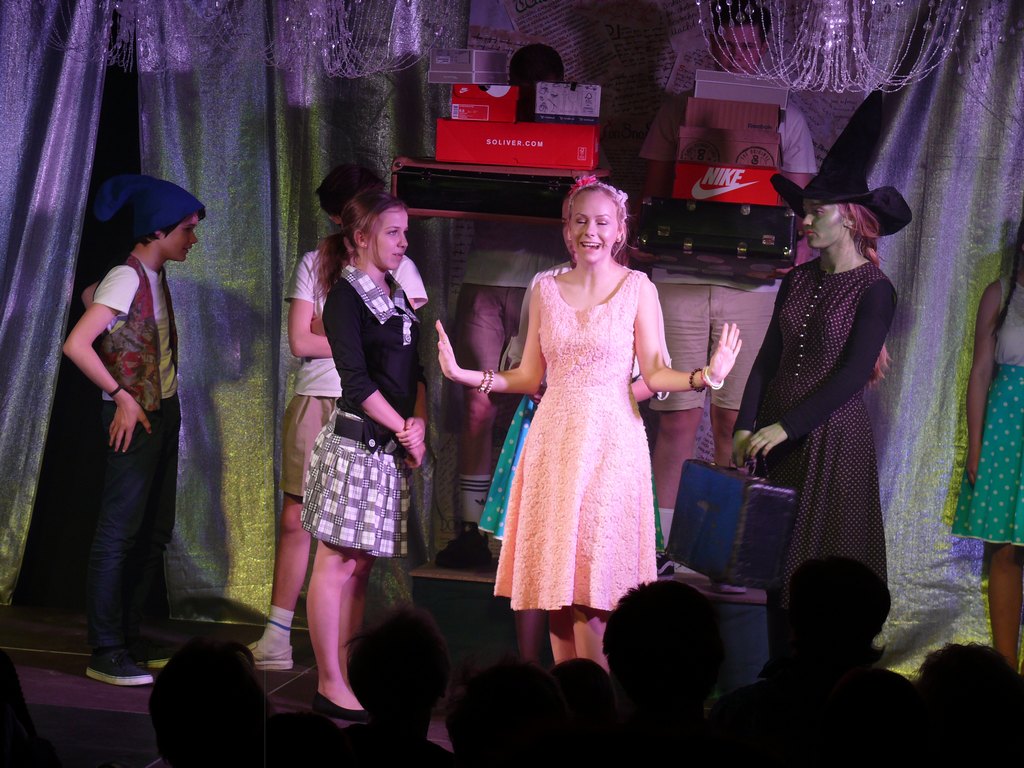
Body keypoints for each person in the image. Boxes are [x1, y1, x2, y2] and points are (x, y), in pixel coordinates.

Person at [437, 179, 741, 665]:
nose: (590, 231)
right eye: (580, 221)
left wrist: (706, 376)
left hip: (611, 443)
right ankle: (573, 696)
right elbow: (529, 375)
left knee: (595, 592)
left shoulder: (638, 289)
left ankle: (595, 697)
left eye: (602, 222)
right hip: (553, 443)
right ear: (567, 229)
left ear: (620, 230)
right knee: (558, 590)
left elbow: (655, 372)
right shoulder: (544, 289)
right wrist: (467, 375)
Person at [733, 92, 911, 654]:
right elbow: (767, 359)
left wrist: (788, 426)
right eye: (803, 210)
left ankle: (825, 674)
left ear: (850, 217)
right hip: (776, 438)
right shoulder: (797, 278)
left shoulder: (875, 289)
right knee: (771, 562)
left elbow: (853, 374)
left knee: (821, 572)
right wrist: (745, 423)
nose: (804, 220)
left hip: (830, 440)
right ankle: (777, 669)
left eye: (816, 211)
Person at [639, 2, 817, 565]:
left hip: (752, 289)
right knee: (676, 420)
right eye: (728, 45)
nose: (738, 57)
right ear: (712, 46)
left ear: (763, 49)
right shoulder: (678, 110)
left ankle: (723, 553)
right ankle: (660, 549)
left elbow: (799, 208)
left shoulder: (787, 117)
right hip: (679, 282)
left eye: (748, 46)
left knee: (733, 423)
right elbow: (653, 194)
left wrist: (792, 254)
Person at [248, 165, 427, 671]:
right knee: (300, 520)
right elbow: (301, 340)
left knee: (356, 547)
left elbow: (401, 349)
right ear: (346, 222)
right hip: (322, 398)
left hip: (378, 411)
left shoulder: (398, 269)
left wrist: (353, 343)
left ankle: (343, 660)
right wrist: (354, 344)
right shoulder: (318, 264)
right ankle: (279, 636)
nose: (395, 236)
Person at [63, 174, 204, 686]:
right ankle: (105, 649)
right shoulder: (127, 277)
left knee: (153, 532)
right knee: (119, 533)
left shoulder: (149, 276)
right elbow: (76, 345)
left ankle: (127, 636)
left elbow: (91, 298)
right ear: (158, 230)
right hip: (136, 414)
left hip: (162, 411)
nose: (193, 239)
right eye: (186, 229)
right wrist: (120, 394)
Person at [436, 43, 568, 569]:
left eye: (545, 88)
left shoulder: (575, 129)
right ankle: (472, 531)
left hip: (549, 286)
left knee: (544, 405)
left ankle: (535, 530)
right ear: (512, 85)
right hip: (487, 281)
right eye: (525, 87)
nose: (535, 97)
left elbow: (592, 188)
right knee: (478, 404)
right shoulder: (488, 123)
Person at [301, 190, 426, 721]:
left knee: (361, 565)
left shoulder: (396, 295)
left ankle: (348, 673)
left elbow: (414, 373)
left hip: (386, 450)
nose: (403, 242)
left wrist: (418, 425)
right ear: (360, 238)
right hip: (356, 445)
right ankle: (328, 682)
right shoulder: (345, 298)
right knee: (336, 562)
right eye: (393, 232)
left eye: (405, 232)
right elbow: (356, 384)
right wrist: (403, 428)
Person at [951, 220, 1024, 671]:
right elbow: (980, 373)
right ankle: (1007, 670)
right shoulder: (1000, 294)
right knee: (1005, 549)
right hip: (1007, 428)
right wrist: (975, 445)